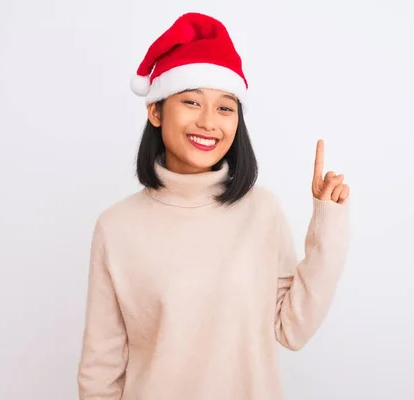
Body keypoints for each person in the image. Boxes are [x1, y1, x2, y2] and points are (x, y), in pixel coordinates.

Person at [77, 12, 351, 400]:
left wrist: (329, 224)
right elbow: (100, 365)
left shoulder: (262, 212)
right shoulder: (117, 227)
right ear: (155, 110)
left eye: (225, 108)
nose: (209, 122)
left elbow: (293, 329)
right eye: (191, 101)